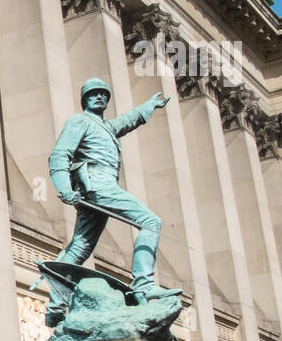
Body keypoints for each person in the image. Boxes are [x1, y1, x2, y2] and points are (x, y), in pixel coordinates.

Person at [45, 77, 182, 327]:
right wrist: (64, 187)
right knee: (150, 221)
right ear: (84, 99)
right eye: (93, 94)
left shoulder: (105, 127)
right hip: (97, 183)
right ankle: (143, 283)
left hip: (100, 186)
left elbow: (126, 122)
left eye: (103, 94)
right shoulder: (80, 121)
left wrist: (149, 106)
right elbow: (59, 154)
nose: (99, 97)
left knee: (79, 248)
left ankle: (55, 304)